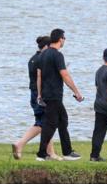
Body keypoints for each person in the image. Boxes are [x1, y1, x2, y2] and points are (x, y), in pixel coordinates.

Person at [34, 28, 83, 161]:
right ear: (60, 39)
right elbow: (65, 75)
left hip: (47, 94)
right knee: (51, 124)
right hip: (54, 94)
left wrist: (39, 94)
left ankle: (67, 152)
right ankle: (41, 154)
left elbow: (39, 76)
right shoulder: (57, 55)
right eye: (64, 38)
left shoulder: (42, 55)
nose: (64, 41)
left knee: (62, 120)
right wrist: (76, 92)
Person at [11, 35, 52, 160]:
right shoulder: (43, 60)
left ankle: (49, 153)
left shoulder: (32, 59)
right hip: (41, 95)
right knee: (43, 123)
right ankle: (20, 144)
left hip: (33, 94)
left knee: (46, 123)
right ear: (46, 46)